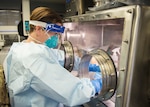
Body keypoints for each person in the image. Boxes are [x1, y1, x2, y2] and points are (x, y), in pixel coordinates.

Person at [3, 7, 102, 107]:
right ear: (38, 29)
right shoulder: (33, 57)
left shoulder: (20, 48)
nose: (56, 38)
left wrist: (86, 64)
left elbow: (60, 57)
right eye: (54, 33)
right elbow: (73, 91)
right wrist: (96, 84)